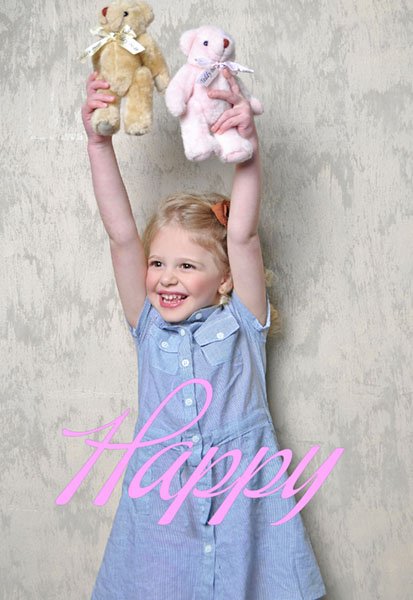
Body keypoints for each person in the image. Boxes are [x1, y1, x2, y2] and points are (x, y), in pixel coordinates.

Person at [82, 69, 326, 600]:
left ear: (227, 278)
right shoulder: (148, 325)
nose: (166, 278)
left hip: (244, 497)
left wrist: (246, 152)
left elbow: (244, 234)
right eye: (158, 263)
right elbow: (121, 236)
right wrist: (99, 144)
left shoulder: (242, 321)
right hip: (163, 502)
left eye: (187, 266)